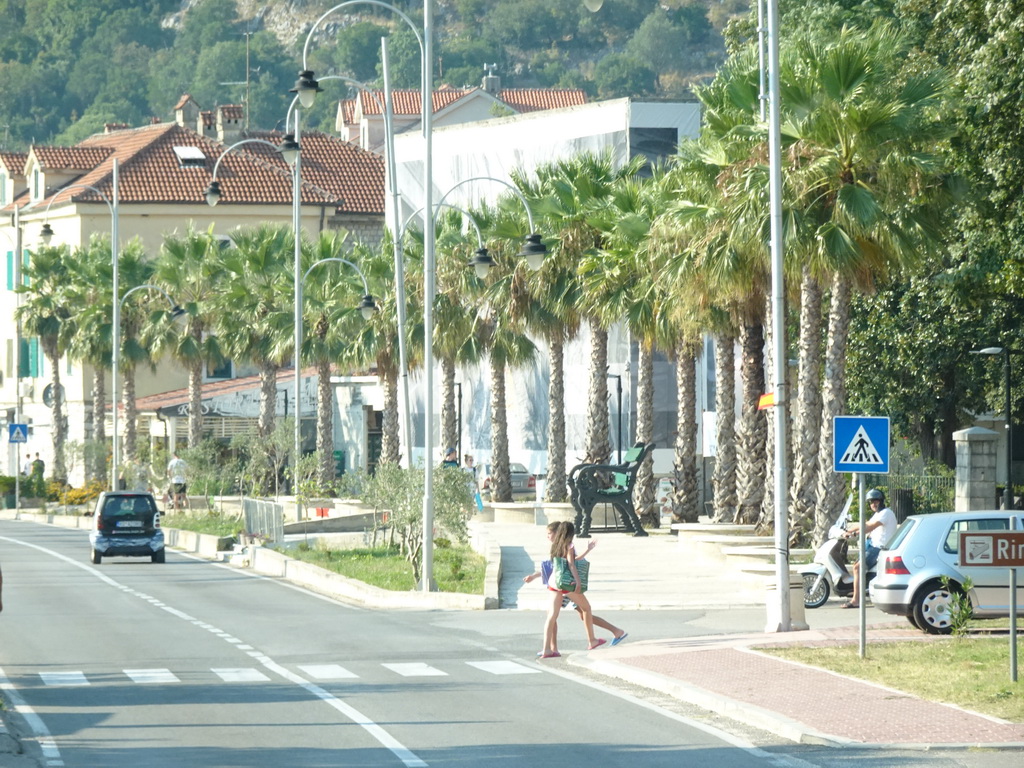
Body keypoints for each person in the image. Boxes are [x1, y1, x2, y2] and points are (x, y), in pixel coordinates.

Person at [524, 527, 626, 655]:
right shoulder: (562, 545)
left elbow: (569, 563)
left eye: (550, 533)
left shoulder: (561, 546)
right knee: (581, 612)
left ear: (558, 533)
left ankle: (553, 648)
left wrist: (586, 552)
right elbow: (564, 564)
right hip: (566, 584)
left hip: (562, 585)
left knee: (561, 614)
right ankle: (606, 635)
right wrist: (534, 576)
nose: (548, 536)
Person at [533, 521, 601, 658]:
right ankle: (592, 640)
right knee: (586, 608)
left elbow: (570, 560)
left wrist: (588, 550)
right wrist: (577, 581)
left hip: (554, 582)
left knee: (551, 616)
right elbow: (571, 564)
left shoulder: (555, 546)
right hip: (565, 583)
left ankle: (546, 649)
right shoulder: (569, 544)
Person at [842, 488, 897, 608]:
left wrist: (855, 533)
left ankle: (856, 600)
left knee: (857, 568)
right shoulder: (878, 514)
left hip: (879, 548)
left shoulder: (886, 513)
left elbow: (870, 526)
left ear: (881, 501)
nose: (873, 504)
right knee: (855, 565)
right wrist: (847, 530)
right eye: (871, 502)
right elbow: (865, 523)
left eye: (876, 501)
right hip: (872, 545)